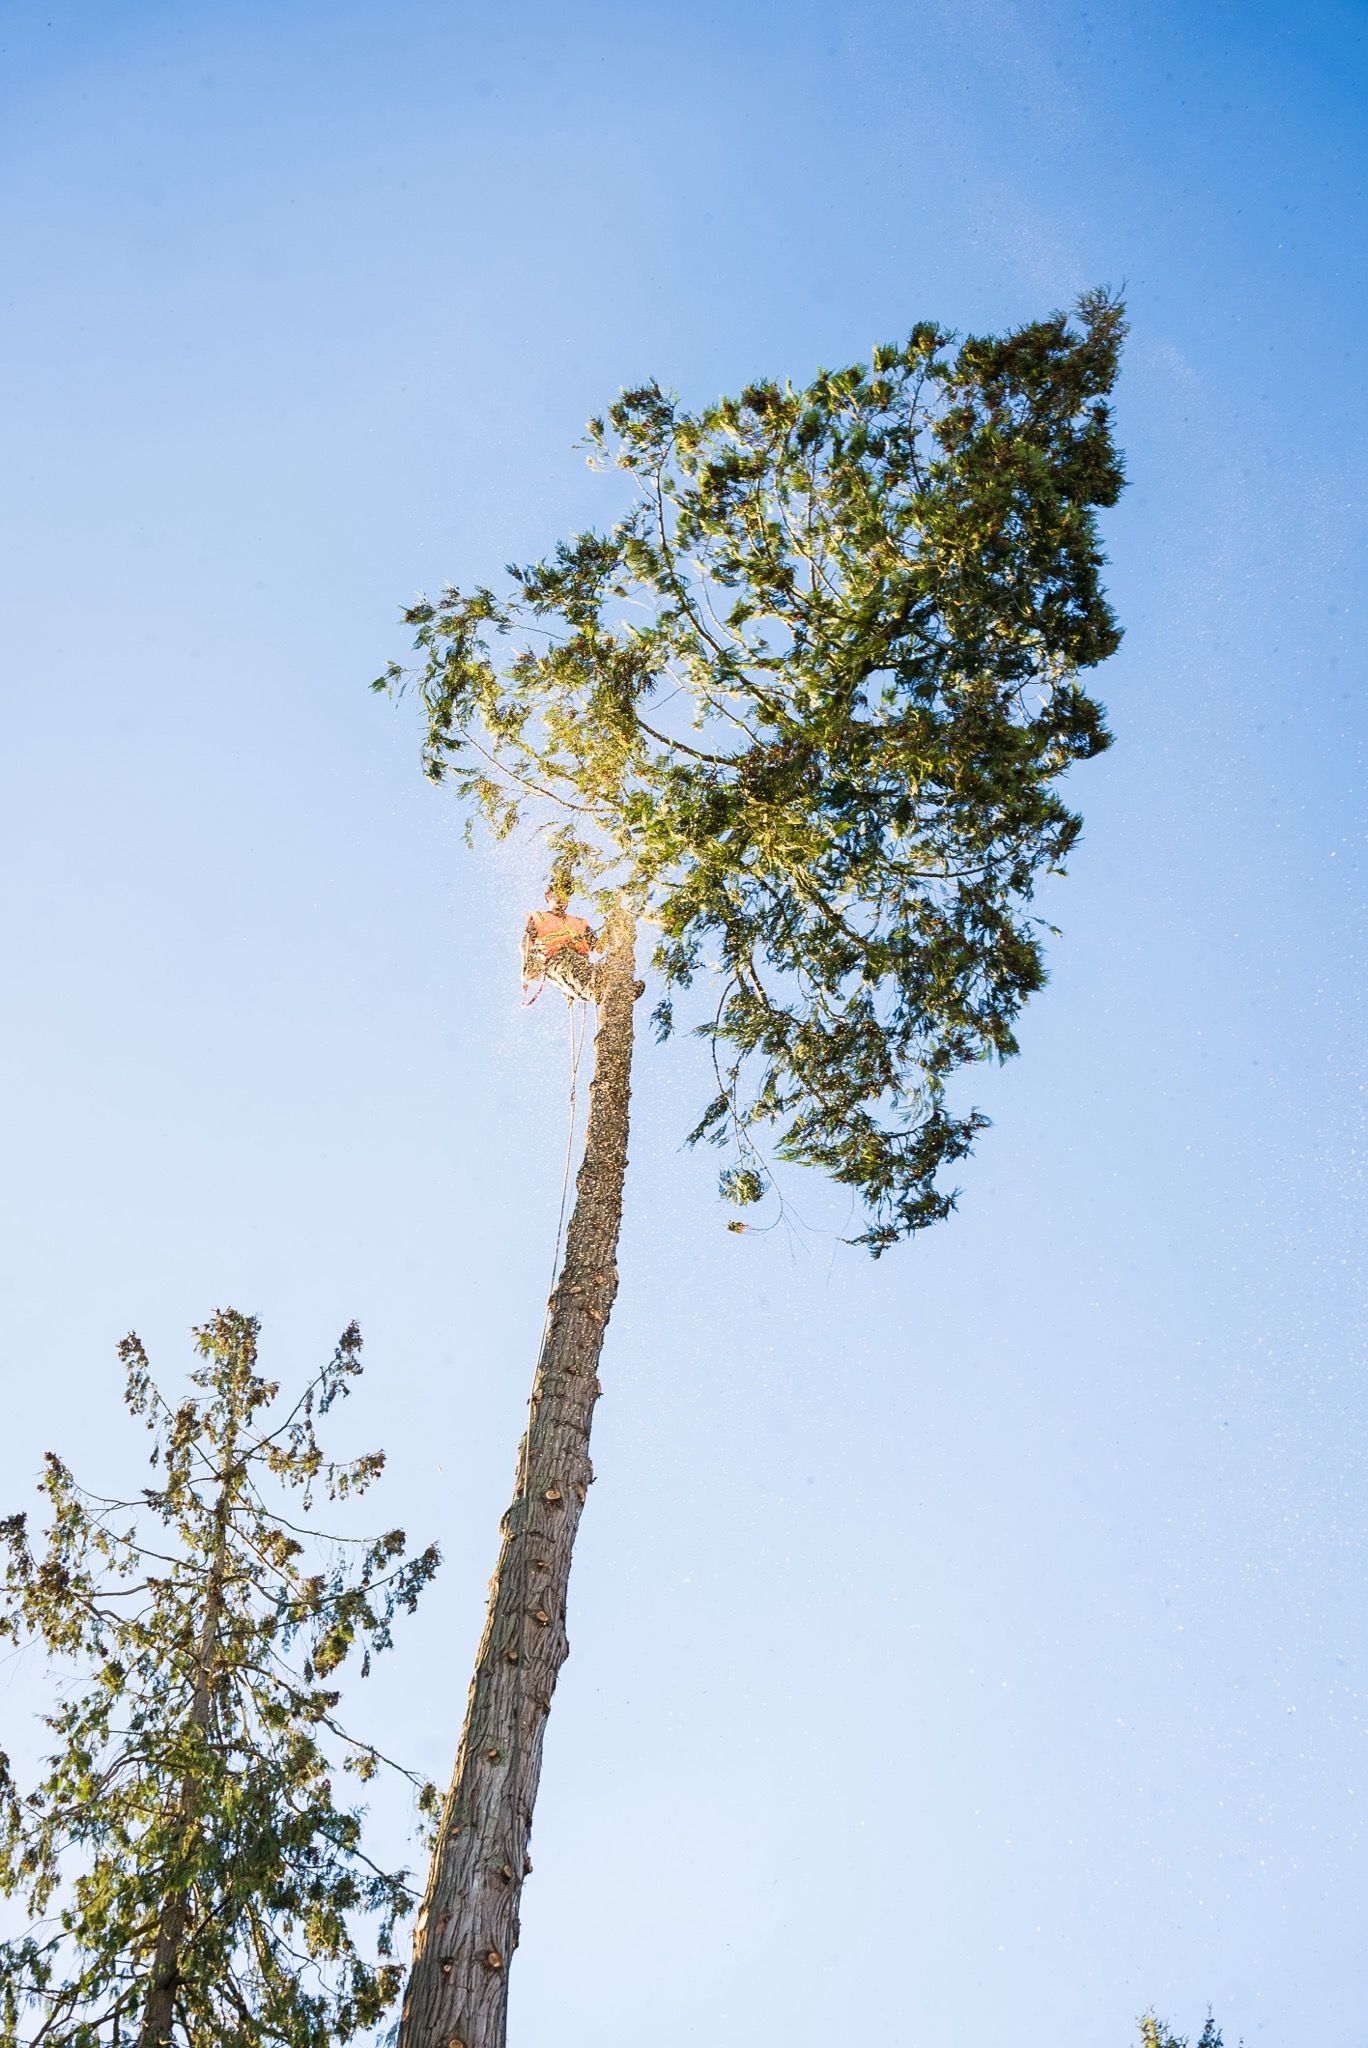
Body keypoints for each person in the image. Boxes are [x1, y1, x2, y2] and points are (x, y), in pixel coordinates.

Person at [521, 888, 598, 1002]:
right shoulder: (539, 917)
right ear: (548, 896)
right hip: (556, 960)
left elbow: (598, 947)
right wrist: (527, 965)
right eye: (557, 893)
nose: (561, 897)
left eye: (564, 894)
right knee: (576, 972)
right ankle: (596, 990)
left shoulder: (579, 922)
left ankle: (612, 984)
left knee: (589, 971)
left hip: (580, 960)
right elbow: (526, 943)